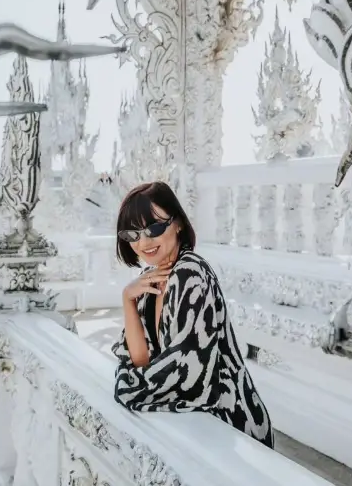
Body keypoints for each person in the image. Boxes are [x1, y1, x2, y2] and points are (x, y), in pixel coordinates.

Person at [112, 181, 274, 448]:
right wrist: (128, 299)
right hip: (201, 426)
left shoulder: (191, 274)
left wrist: (129, 385)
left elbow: (185, 375)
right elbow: (140, 359)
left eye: (154, 228)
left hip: (233, 423)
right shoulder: (148, 280)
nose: (144, 242)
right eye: (133, 234)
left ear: (178, 224)